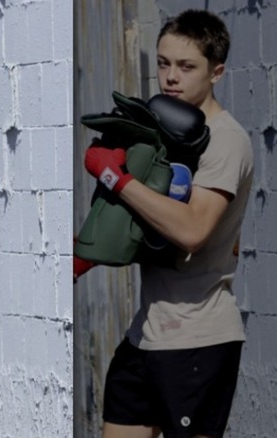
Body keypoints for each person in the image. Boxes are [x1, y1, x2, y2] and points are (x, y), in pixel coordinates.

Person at [83, 9, 253, 438]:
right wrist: (82, 254)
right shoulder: (161, 135)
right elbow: (136, 228)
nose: (170, 77)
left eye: (186, 66)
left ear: (217, 72)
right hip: (145, 336)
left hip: (198, 341)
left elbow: (192, 230)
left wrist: (115, 178)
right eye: (163, 63)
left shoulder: (225, 140)